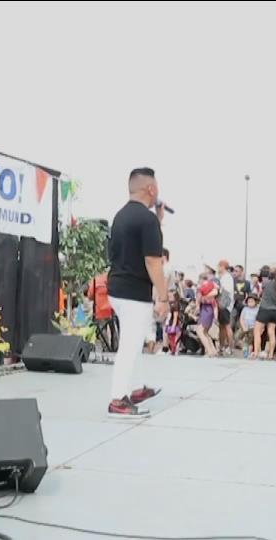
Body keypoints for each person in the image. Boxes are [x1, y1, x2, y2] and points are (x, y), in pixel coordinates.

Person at [106, 167, 166, 419]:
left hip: (117, 288)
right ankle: (118, 400)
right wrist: (163, 297)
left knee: (135, 338)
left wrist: (158, 221)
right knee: (129, 346)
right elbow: (153, 261)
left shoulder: (121, 216)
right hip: (134, 292)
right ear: (151, 189)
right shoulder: (146, 220)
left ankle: (136, 388)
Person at [254, 272, 276, 359]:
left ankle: (256, 352)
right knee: (271, 332)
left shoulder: (267, 284)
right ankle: (270, 354)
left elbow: (260, 292)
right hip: (275, 311)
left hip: (265, 309)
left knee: (257, 331)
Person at [217, 260, 235, 355]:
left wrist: (221, 304)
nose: (218, 268)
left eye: (219, 266)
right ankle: (222, 346)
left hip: (225, 305)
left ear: (222, 266)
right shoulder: (224, 277)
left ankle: (230, 347)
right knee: (222, 326)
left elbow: (226, 291)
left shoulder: (227, 277)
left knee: (227, 326)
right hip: (224, 304)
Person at [197, 277, 219, 357]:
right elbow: (215, 307)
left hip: (206, 311)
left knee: (199, 331)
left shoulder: (204, 291)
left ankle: (209, 351)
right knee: (205, 332)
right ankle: (213, 351)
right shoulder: (212, 293)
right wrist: (215, 317)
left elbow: (199, 299)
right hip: (208, 311)